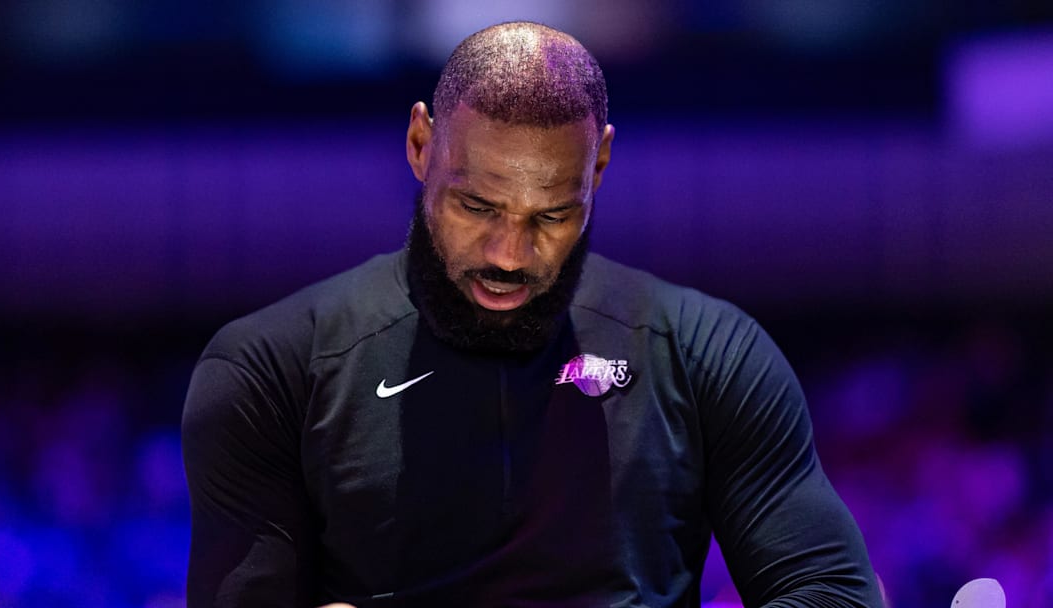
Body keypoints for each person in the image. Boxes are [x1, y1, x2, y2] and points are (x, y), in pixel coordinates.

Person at [182, 21, 883, 608]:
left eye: (553, 215)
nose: (510, 255)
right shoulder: (271, 369)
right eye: (476, 206)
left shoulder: (706, 352)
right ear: (421, 145)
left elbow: (835, 594)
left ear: (599, 166)